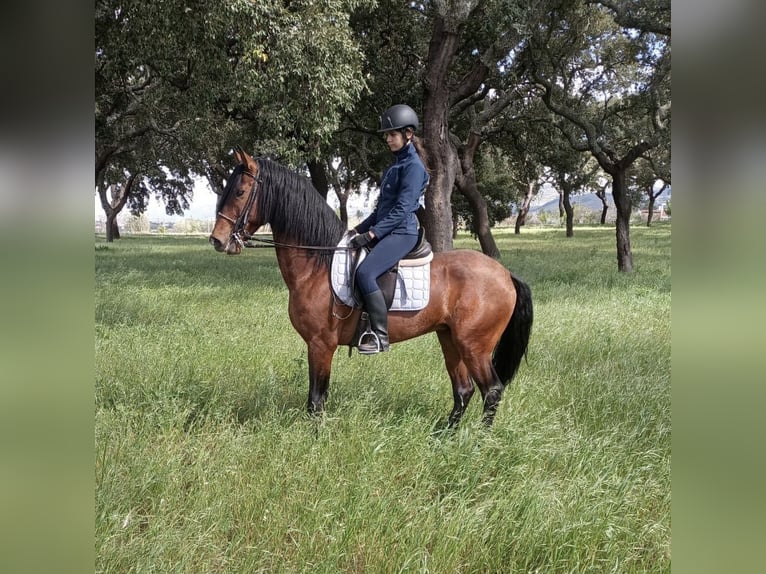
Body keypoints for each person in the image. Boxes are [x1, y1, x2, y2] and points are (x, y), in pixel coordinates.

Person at [348, 104, 430, 354]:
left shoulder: (413, 167)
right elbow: (380, 210)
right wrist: (356, 230)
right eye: (386, 135)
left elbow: (403, 209)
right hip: (390, 228)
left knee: (365, 273)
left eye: (392, 134)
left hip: (403, 233)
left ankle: (380, 336)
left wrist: (373, 234)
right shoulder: (395, 166)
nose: (387, 139)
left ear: (408, 134)